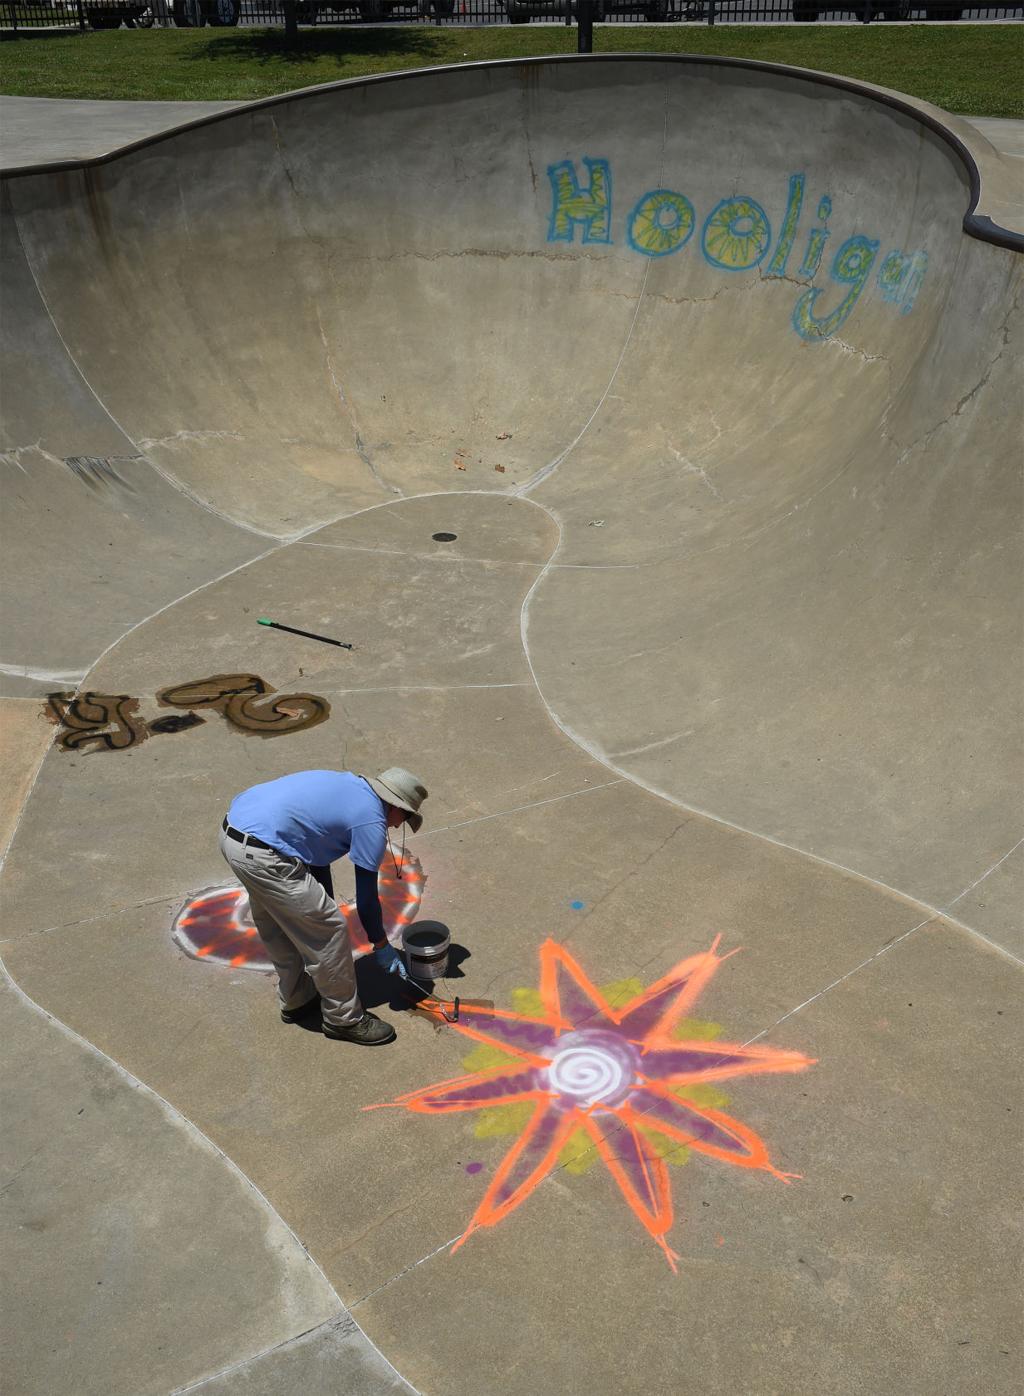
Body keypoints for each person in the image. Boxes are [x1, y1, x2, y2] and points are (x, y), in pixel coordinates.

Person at [219, 767, 427, 1046]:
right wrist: (381, 945)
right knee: (329, 930)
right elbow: (366, 899)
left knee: (278, 923)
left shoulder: (351, 788)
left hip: (237, 832)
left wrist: (318, 907)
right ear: (395, 806)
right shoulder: (371, 821)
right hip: (265, 852)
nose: (399, 826)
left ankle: (297, 998)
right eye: (406, 817)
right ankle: (344, 1020)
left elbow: (317, 857)